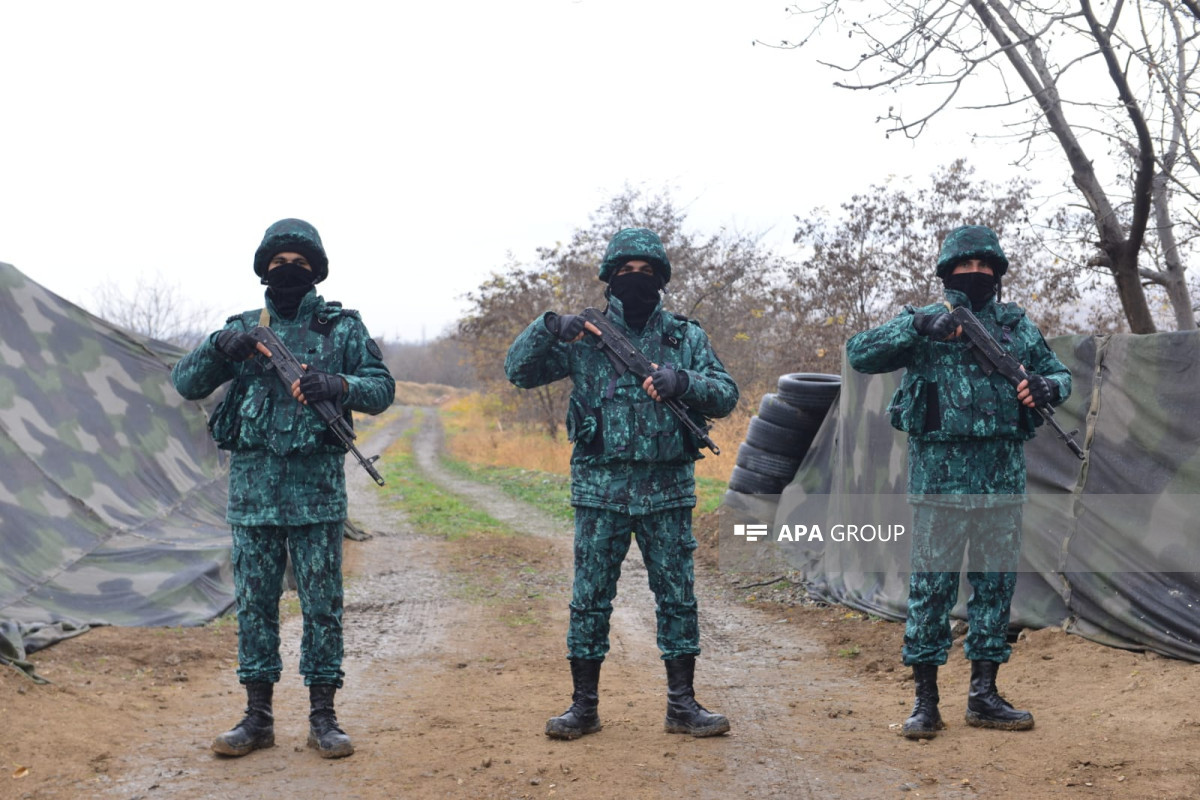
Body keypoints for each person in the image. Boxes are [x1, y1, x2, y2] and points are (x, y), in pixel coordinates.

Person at [171, 219, 395, 758]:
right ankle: (257, 717)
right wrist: (219, 347)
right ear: (263, 270)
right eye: (277, 262)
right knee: (255, 605)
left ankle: (323, 716)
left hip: (316, 494)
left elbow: (382, 388)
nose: (287, 270)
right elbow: (187, 383)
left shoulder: (342, 329)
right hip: (253, 495)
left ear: (315, 270)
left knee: (322, 606)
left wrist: (338, 384)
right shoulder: (242, 328)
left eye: (297, 262)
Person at [505, 227, 739, 740]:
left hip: (667, 490)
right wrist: (550, 326)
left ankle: (683, 705)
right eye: (625, 271)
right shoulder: (583, 339)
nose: (636, 280)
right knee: (589, 598)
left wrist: (684, 381)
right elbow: (518, 372)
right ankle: (582, 707)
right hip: (600, 491)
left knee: (677, 597)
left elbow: (726, 395)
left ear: (662, 280)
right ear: (609, 278)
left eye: (647, 272)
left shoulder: (684, 337)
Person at [845, 225, 1071, 740]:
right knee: (932, 590)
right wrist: (918, 328)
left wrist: (1044, 385)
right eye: (965, 268)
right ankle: (926, 701)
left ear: (998, 273)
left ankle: (984, 695)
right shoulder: (924, 322)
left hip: (1001, 480)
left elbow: (1060, 376)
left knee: (994, 587)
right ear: (947, 273)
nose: (976, 276)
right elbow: (860, 353)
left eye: (986, 268)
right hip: (939, 483)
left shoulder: (1017, 326)